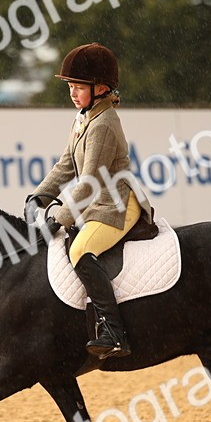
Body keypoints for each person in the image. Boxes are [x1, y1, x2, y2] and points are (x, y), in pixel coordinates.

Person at [24, 43, 155, 359]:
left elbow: (89, 183)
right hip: (98, 203)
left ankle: (114, 331)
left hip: (118, 204)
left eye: (79, 87)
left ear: (101, 88)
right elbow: (65, 165)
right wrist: (39, 196)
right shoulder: (84, 118)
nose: (72, 92)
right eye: (70, 86)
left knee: (80, 249)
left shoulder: (104, 124)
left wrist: (58, 219)